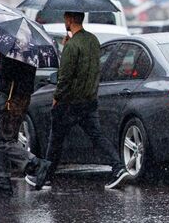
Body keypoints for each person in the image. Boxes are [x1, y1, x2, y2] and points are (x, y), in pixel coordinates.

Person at [33, 11, 128, 190]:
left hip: (69, 102)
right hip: (89, 99)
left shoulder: (72, 45)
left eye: (65, 19)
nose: (64, 22)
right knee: (97, 136)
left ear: (69, 20)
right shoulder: (92, 40)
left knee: (55, 140)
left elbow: (65, 76)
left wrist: (57, 97)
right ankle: (118, 167)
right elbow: (88, 67)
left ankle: (44, 178)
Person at [0, 52, 51, 196]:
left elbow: (8, 71)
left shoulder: (15, 53)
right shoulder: (27, 53)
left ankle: (35, 164)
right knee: (2, 138)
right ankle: (2, 181)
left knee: (2, 139)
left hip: (10, 101)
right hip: (18, 100)